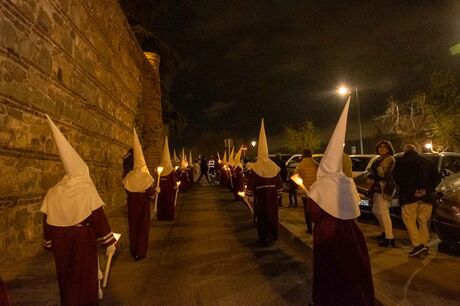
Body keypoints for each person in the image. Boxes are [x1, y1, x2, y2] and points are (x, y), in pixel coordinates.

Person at [41, 115, 117, 306]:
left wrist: (50, 242)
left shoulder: (53, 191)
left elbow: (46, 220)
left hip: (60, 241)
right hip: (82, 240)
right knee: (84, 278)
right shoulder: (86, 189)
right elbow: (98, 217)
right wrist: (109, 241)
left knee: (65, 278)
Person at [307, 98, 375, 306]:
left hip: (328, 232)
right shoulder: (347, 181)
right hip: (351, 231)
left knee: (330, 272)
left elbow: (313, 212)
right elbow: (356, 206)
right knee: (353, 271)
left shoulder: (321, 184)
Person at [393, 144, 441, 257]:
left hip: (409, 197)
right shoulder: (428, 162)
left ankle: (417, 245)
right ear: (415, 151)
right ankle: (424, 244)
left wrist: (413, 191)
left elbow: (399, 179)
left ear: (405, 151)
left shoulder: (401, 162)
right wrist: (425, 190)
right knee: (423, 221)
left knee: (409, 220)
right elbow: (436, 179)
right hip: (426, 197)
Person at [122, 128, 159, 261]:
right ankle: (141, 251)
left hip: (132, 203)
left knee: (133, 226)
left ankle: (134, 251)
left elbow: (127, 189)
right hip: (142, 204)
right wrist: (156, 192)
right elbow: (150, 193)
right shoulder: (145, 176)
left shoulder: (129, 176)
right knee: (142, 228)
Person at [245, 119, 283, 246]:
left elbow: (251, 182)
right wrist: (277, 194)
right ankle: (273, 235)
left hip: (261, 198)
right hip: (272, 196)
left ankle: (264, 239)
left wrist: (248, 195)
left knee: (262, 218)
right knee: (272, 215)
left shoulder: (256, 167)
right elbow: (279, 183)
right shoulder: (273, 166)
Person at [367, 140, 396, 247]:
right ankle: (385, 232)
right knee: (376, 210)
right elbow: (373, 171)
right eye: (380, 147)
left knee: (384, 213)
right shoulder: (378, 159)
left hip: (384, 188)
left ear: (389, 148)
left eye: (384, 147)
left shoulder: (390, 159)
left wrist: (374, 178)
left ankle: (389, 238)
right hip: (376, 188)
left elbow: (385, 174)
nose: (382, 149)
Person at [294, 149, 318, 233]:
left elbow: (295, 176)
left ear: (303, 155)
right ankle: (317, 227)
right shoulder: (316, 165)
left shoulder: (300, 165)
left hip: (304, 191)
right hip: (315, 191)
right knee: (315, 209)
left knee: (307, 209)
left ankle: (309, 228)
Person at [157, 136, 177, 221]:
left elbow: (157, 178)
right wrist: (175, 187)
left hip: (161, 187)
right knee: (168, 202)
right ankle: (168, 216)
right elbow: (173, 180)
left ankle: (161, 216)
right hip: (168, 189)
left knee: (161, 202)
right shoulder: (170, 169)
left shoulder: (159, 167)